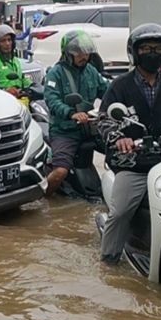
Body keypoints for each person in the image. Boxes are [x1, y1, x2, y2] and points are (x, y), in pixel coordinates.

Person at [97, 23, 161, 265]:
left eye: (157, 48)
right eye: (145, 48)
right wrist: (119, 138)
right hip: (134, 164)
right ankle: (108, 259)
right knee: (120, 212)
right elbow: (103, 119)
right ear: (134, 52)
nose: (151, 53)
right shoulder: (119, 85)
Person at [43, 30, 110, 196]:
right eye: (79, 52)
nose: (84, 56)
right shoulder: (55, 73)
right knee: (60, 172)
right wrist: (71, 113)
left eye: (86, 52)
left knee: (122, 154)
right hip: (65, 131)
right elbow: (52, 101)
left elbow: (108, 92)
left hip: (90, 128)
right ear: (68, 53)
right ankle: (45, 200)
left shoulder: (91, 71)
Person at [0, 24, 33, 96]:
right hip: (2, 100)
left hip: (20, 99)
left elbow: (23, 78)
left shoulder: (15, 60)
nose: (7, 43)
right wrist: (4, 91)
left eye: (9, 40)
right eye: (3, 41)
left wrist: (33, 86)